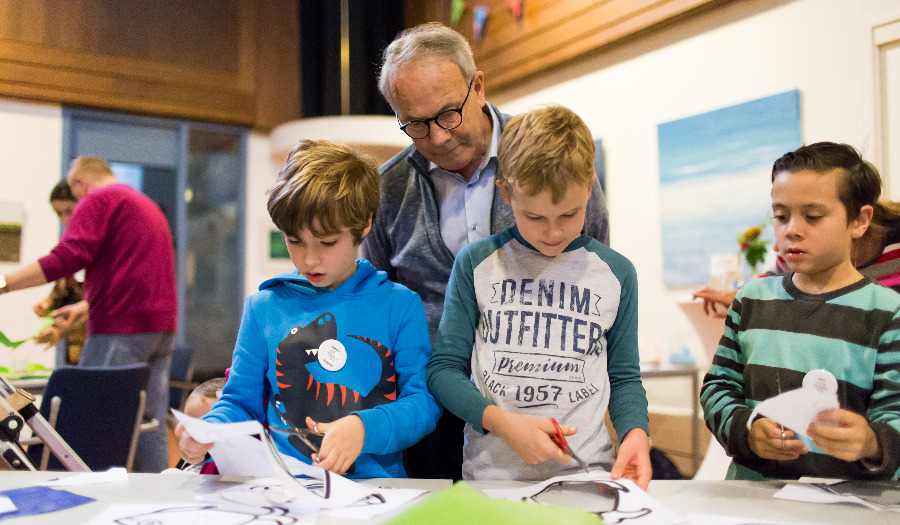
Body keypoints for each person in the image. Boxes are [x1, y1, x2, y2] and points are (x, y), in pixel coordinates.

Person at [364, 22, 611, 480]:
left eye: (447, 115)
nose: (437, 137)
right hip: (429, 406)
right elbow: (375, 299)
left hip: (543, 398)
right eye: (415, 124)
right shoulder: (388, 189)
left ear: (477, 85)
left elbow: (594, 271)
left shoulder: (551, 157)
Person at [175, 140, 441, 479]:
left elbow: (422, 405)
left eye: (327, 242)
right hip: (283, 490)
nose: (309, 258)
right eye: (294, 240)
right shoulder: (263, 308)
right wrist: (209, 430)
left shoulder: (399, 305)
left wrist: (364, 428)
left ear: (364, 225)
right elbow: (240, 402)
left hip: (375, 493)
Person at [426, 106, 651, 487]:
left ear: (589, 186)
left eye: (569, 214)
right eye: (534, 217)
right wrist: (503, 424)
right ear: (506, 193)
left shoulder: (617, 273)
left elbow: (624, 377)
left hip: (588, 476)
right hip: (492, 480)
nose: (552, 232)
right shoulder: (477, 264)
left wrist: (635, 435)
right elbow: (443, 371)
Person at [701, 142, 900, 480]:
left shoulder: (887, 312)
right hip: (754, 499)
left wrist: (871, 441)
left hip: (851, 505)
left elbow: (894, 409)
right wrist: (747, 431)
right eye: (781, 215)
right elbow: (717, 387)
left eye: (813, 216)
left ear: (860, 220)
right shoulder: (751, 300)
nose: (791, 229)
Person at [0, 156, 178, 473]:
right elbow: (135, 272)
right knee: (149, 423)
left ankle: (86, 508)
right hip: (161, 329)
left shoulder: (98, 197)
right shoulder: (144, 204)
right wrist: (84, 308)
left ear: (80, 184)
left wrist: (5, 284)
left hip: (119, 330)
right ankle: (159, 497)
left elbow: (69, 255)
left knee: (92, 426)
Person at [31, 180, 87, 366]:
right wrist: (49, 303)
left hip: (102, 340)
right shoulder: (69, 244)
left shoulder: (95, 244)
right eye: (58, 213)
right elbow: (66, 288)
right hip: (75, 346)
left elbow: (97, 301)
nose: (64, 219)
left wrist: (5, 283)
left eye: (69, 211)